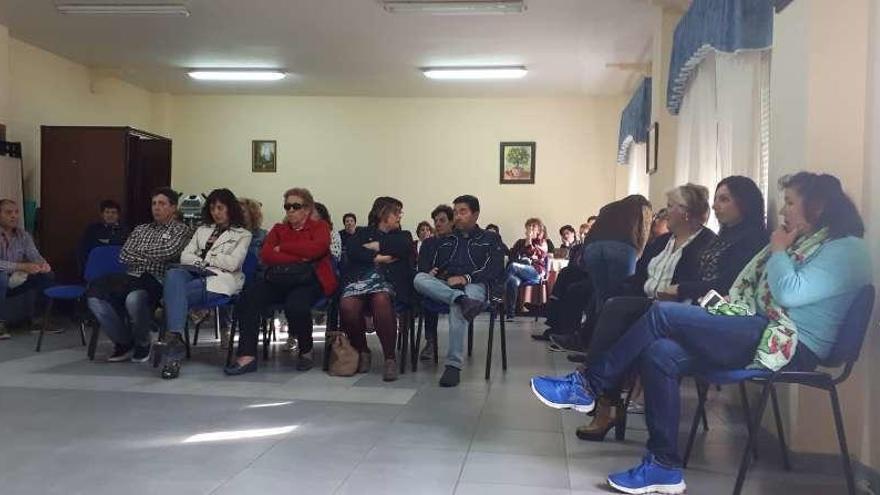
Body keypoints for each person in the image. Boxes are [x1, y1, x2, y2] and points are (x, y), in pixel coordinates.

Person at [530, 172, 872, 495]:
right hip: (759, 329)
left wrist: (780, 250)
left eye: (791, 203)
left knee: (662, 314)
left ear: (818, 207)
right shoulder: (806, 243)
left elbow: (788, 293)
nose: (783, 210)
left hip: (791, 344)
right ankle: (663, 465)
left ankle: (590, 385)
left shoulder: (847, 250)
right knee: (659, 352)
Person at [575, 177, 766, 441]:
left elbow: (718, 285)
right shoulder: (663, 242)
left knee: (620, 315)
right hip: (658, 304)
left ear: (686, 213)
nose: (663, 213)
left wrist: (680, 290)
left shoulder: (710, 243)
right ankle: (599, 393)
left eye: (670, 206)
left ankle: (597, 392)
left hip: (684, 310)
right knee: (613, 306)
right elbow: (639, 278)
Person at [225, 187, 337, 375]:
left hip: (308, 280)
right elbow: (266, 255)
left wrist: (283, 247)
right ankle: (247, 356)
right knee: (249, 297)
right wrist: (298, 255)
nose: (290, 210)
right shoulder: (278, 229)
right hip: (280, 279)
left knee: (296, 305)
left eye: (296, 206)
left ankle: (306, 350)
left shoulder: (320, 227)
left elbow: (317, 249)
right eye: (287, 206)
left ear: (307, 209)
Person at [86, 188, 192, 362]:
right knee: (94, 298)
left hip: (157, 281)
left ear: (173, 208)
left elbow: (168, 252)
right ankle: (124, 343)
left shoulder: (181, 230)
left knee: (134, 299)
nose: (156, 208)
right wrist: (147, 254)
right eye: (154, 204)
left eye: (162, 204)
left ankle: (143, 343)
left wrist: (139, 253)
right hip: (131, 278)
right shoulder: (140, 229)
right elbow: (124, 254)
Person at [157, 189, 251, 379]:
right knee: (174, 274)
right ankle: (175, 338)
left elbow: (233, 264)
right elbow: (185, 256)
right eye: (212, 208)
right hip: (194, 273)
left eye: (220, 208)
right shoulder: (202, 230)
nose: (216, 212)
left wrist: (206, 257)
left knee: (172, 300)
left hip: (221, 280)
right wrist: (204, 262)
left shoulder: (243, 234)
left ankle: (173, 354)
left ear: (230, 209)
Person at [413, 195, 505, 387]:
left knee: (458, 306)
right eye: (455, 212)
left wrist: (466, 278)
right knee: (419, 279)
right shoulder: (447, 239)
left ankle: (453, 366)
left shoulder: (490, 238)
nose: (457, 216)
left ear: (476, 214)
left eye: (462, 211)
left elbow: (494, 268)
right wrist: (436, 274)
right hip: (449, 285)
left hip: (476, 285)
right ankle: (460, 299)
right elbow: (435, 264)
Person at [340, 197, 414, 381]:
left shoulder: (403, 235)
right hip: (360, 280)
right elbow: (353, 250)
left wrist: (376, 246)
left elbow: (405, 248)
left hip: (387, 283)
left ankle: (390, 358)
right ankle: (362, 350)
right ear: (383, 213)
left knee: (381, 299)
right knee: (348, 305)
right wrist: (380, 258)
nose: (399, 216)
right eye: (396, 212)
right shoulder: (362, 232)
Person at [580, 195, 652, 313]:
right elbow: (644, 231)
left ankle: (596, 327)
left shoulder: (608, 207)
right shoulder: (642, 206)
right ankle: (616, 328)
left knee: (601, 294)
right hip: (622, 246)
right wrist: (639, 253)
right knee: (622, 294)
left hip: (592, 247)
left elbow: (594, 230)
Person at [0, 199, 53, 340]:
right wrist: (21, 266)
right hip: (3, 277)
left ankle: (38, 320)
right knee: (2, 278)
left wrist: (43, 264)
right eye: (8, 212)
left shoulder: (23, 235)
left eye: (16, 212)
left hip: (16, 277)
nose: (14, 216)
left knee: (47, 276)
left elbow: (34, 255)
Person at [417, 204, 454, 361]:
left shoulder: (457, 241)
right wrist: (429, 273)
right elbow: (422, 267)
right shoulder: (428, 243)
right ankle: (431, 342)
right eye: (436, 221)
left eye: (442, 220)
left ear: (452, 222)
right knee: (427, 292)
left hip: (452, 283)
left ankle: (455, 347)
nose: (438, 224)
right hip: (433, 283)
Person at [505, 218, 550, 319]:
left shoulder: (543, 243)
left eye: (534, 227)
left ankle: (497, 293)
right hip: (521, 272)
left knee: (513, 266)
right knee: (512, 281)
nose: (531, 229)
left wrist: (529, 239)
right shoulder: (521, 242)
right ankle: (510, 313)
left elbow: (532, 252)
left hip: (536, 272)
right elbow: (512, 256)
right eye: (529, 227)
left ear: (539, 230)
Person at [78, 199, 130, 273]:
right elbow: (82, 250)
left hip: (119, 270)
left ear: (118, 215)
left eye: (113, 212)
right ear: (102, 214)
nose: (110, 215)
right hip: (97, 269)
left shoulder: (126, 231)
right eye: (107, 212)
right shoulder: (92, 230)